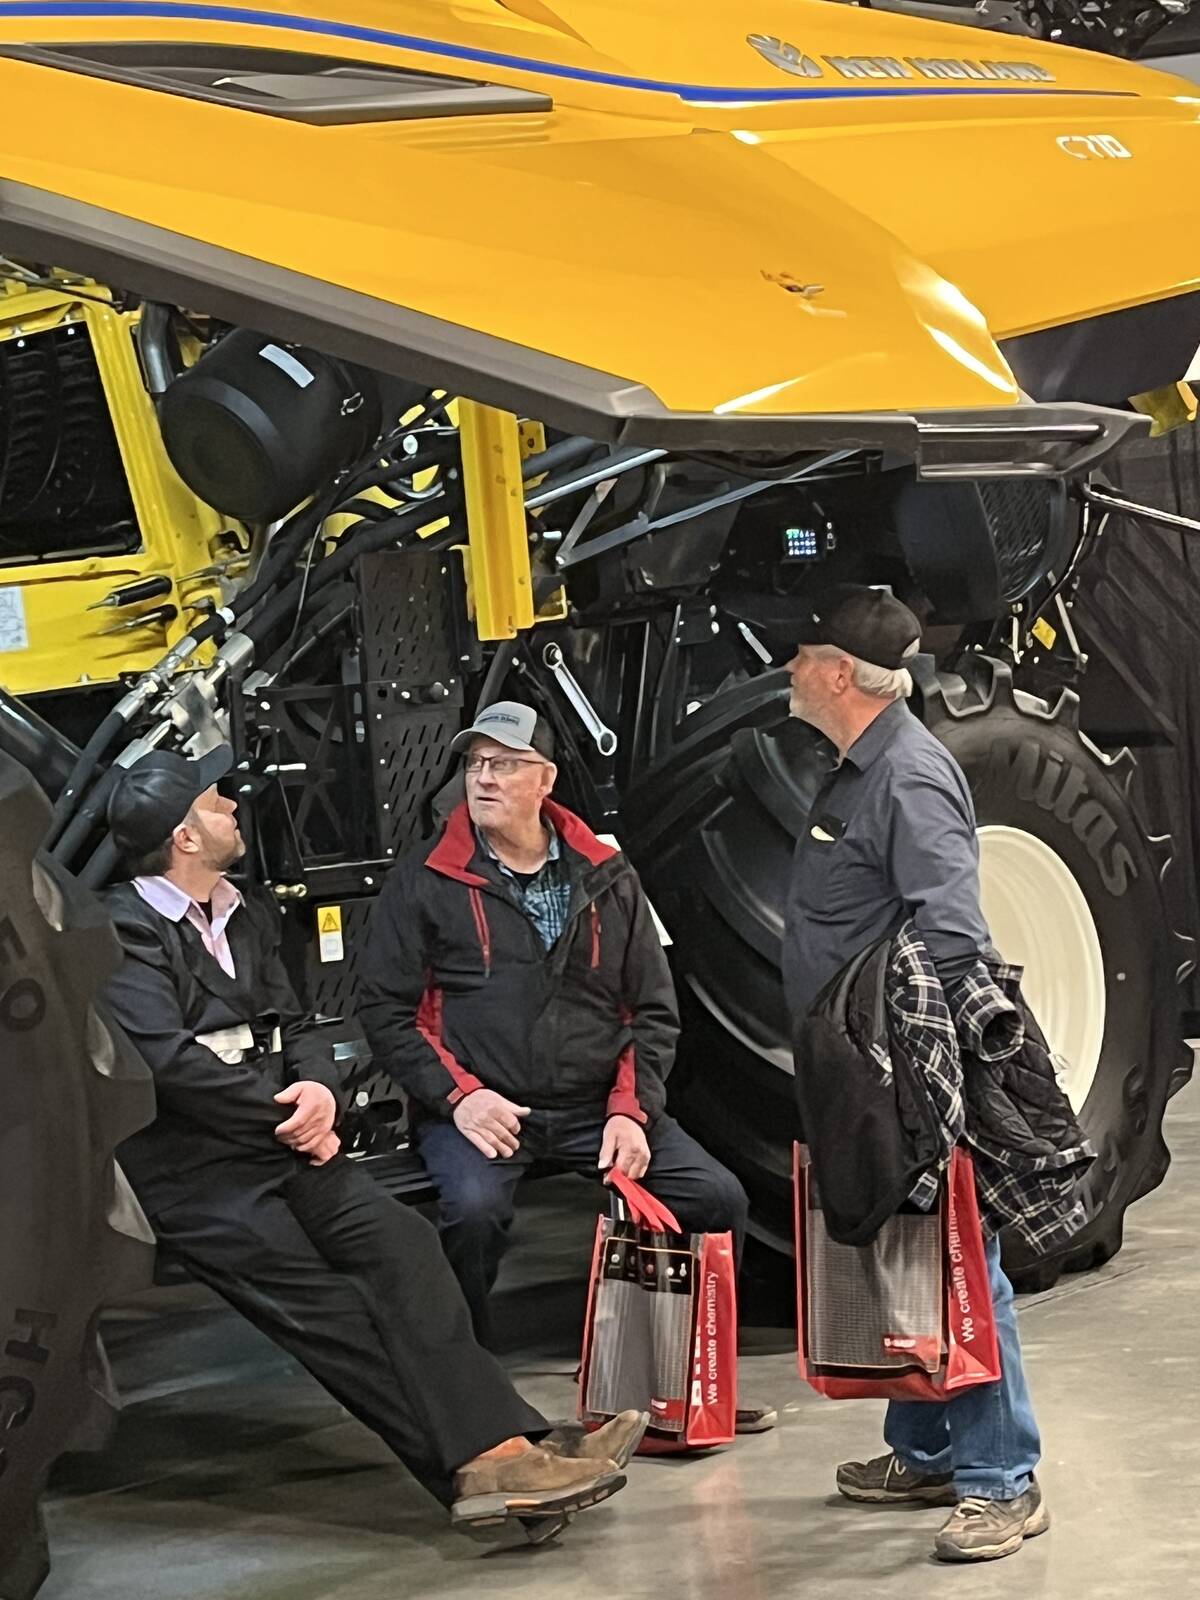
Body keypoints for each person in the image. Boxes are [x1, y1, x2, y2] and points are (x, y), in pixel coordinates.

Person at [100, 745, 644, 1535]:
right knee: (336, 1310)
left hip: (288, 1146)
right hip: (200, 1178)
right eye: (218, 804)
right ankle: (489, 1462)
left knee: (405, 1248)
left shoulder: (243, 911)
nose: (233, 810)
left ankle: (509, 1439)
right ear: (184, 835)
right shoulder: (123, 934)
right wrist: (289, 1118)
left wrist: (320, 1089)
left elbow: (300, 1025)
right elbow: (169, 1064)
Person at [358, 702, 773, 1433]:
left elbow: (650, 1009)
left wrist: (629, 1110)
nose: (482, 779)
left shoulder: (606, 876)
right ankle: (470, 1401)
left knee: (715, 1199)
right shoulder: (427, 879)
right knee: (473, 1213)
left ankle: (685, 1385)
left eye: (503, 764)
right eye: (474, 764)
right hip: (487, 1111)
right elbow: (387, 1011)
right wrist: (460, 1100)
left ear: (544, 779)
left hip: (593, 1107)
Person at [782, 587, 1048, 1563]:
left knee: (960, 1266)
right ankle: (928, 1446)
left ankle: (1004, 1480)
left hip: (904, 1074)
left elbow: (953, 931)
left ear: (842, 674)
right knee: (903, 1260)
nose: (791, 666)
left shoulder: (911, 775)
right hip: (854, 1066)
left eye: (803, 652)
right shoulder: (856, 767)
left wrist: (932, 1085)